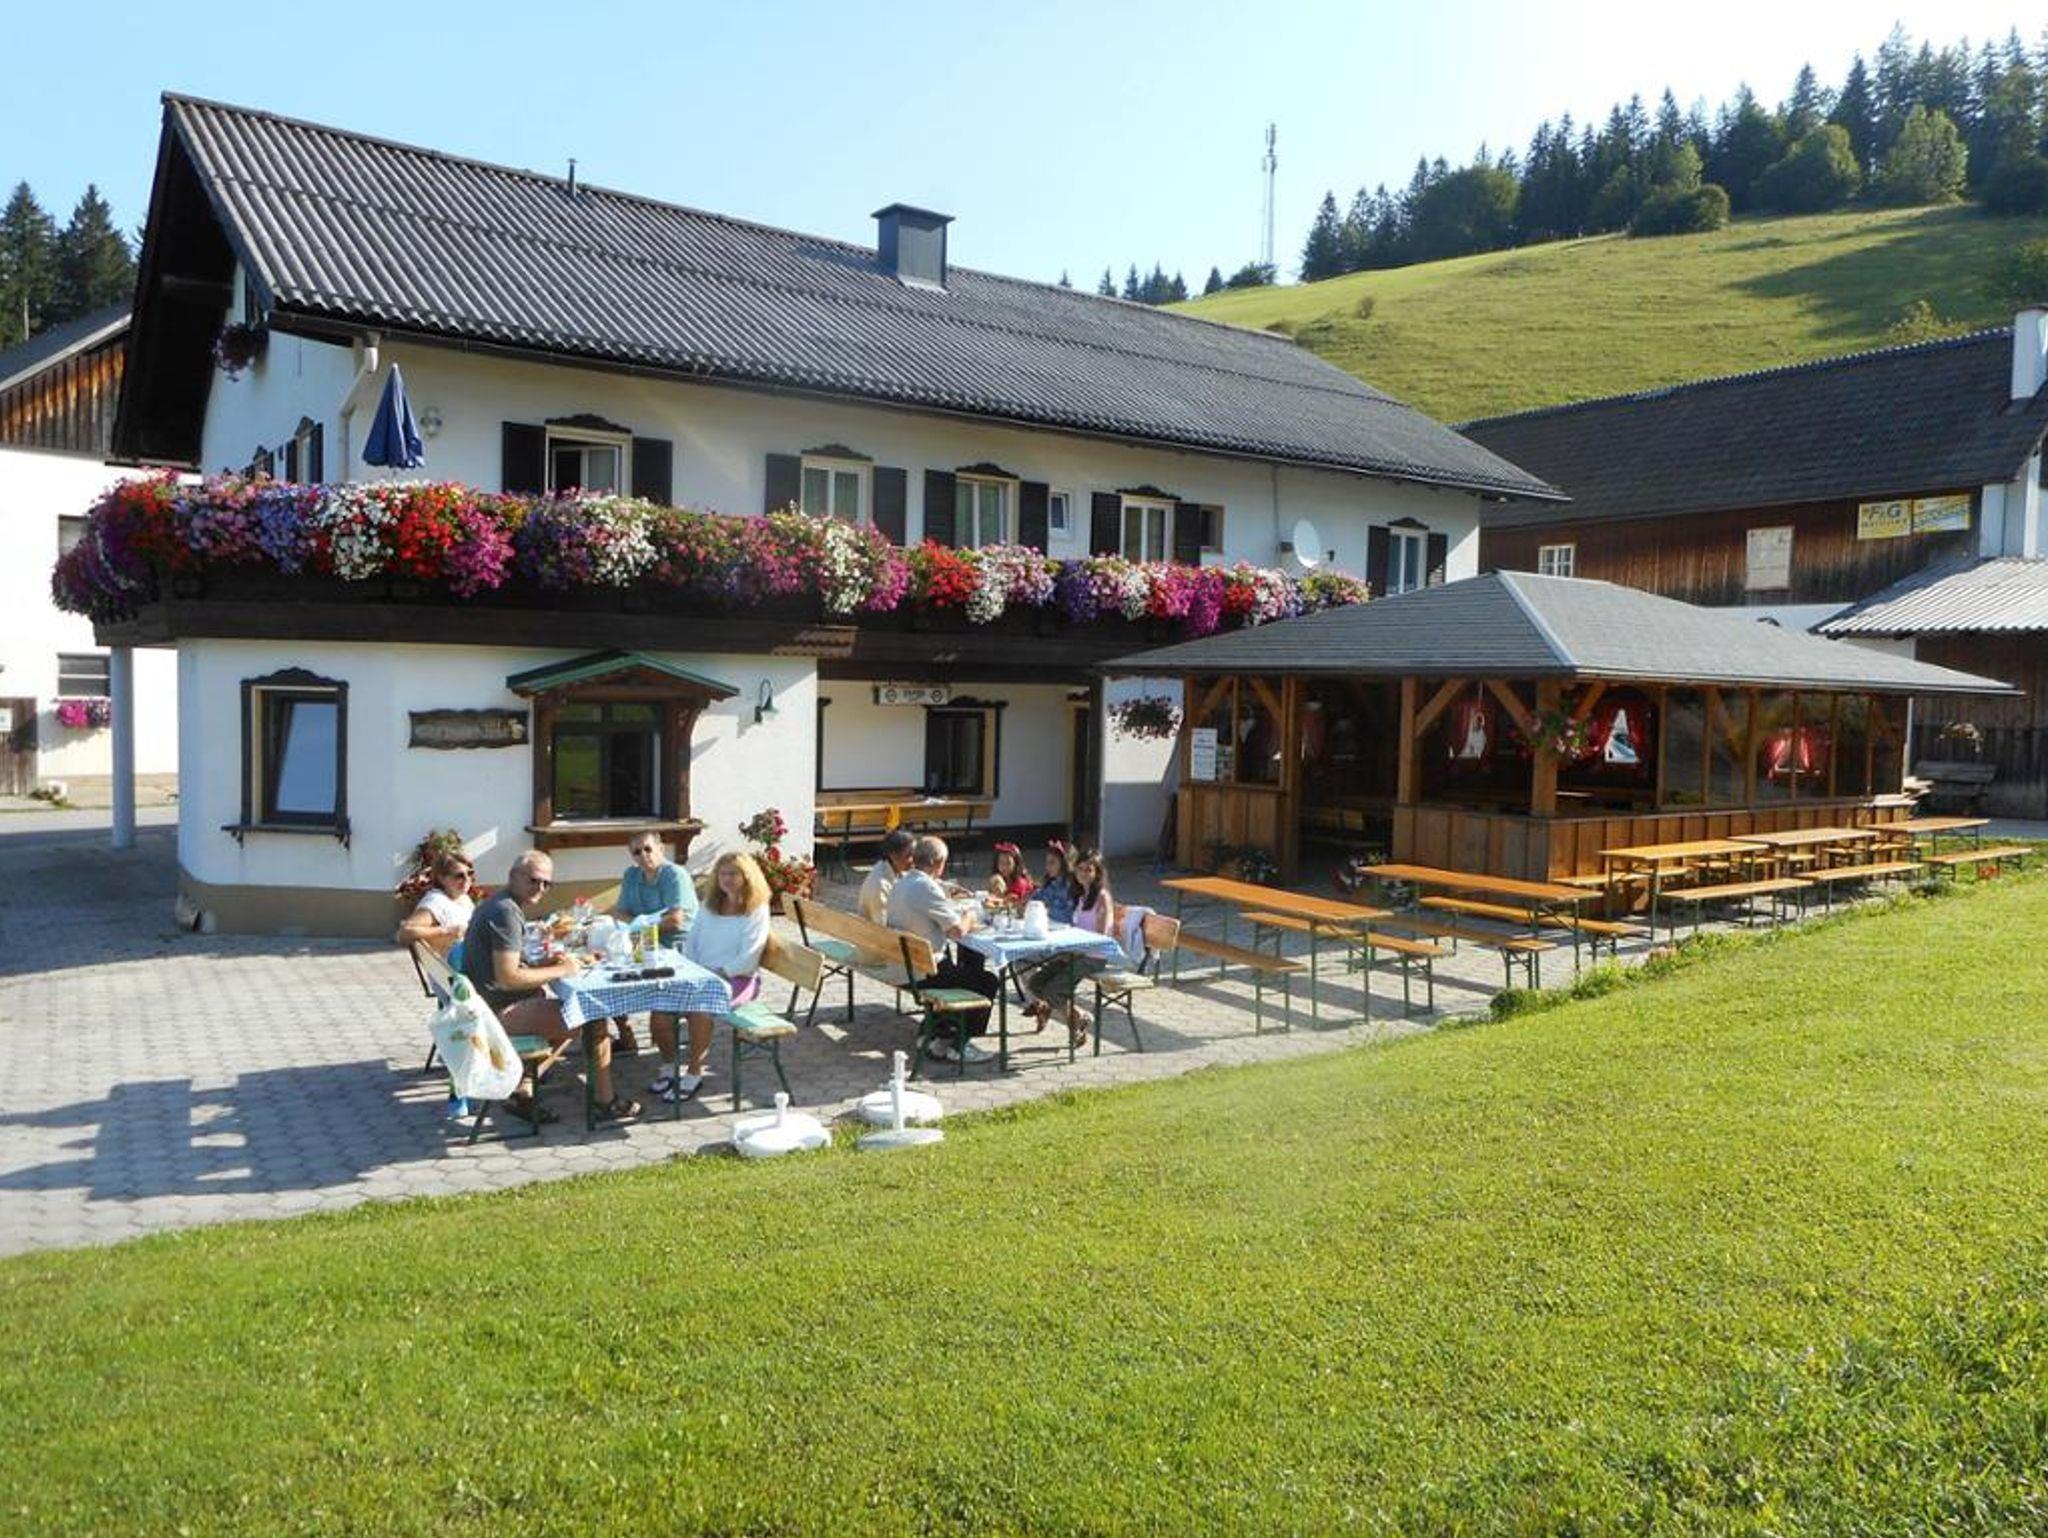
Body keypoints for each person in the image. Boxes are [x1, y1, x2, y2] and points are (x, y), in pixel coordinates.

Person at [461, 850, 637, 1123]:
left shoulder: (499, 903)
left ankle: (522, 1086)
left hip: (481, 1004)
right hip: (493, 1015)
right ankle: (606, 1102)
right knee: (590, 1015)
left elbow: (507, 967)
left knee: (571, 1009)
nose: (540, 888)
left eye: (547, 883)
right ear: (513, 876)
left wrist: (545, 964)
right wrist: (563, 969)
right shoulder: (506, 912)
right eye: (534, 880)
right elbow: (508, 977)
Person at [651, 852, 773, 1103]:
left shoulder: (757, 909)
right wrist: (692, 970)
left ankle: (694, 1073)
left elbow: (750, 957)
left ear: (747, 877)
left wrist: (717, 973)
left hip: (738, 978)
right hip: (702, 974)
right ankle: (670, 1066)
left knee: (701, 1007)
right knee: (660, 1007)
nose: (727, 879)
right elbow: (692, 942)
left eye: (734, 874)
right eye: (722, 873)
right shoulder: (709, 904)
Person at [886, 835, 998, 1063]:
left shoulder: (901, 882)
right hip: (920, 973)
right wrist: (970, 915)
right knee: (986, 981)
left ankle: (936, 1033)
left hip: (901, 965)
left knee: (964, 969)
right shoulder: (925, 887)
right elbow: (957, 931)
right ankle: (959, 1045)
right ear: (938, 863)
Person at [607, 830, 700, 1054]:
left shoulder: (673, 875)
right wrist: (641, 928)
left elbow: (675, 921)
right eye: (636, 852)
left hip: (679, 948)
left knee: (659, 1014)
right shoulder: (632, 875)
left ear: (661, 848)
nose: (643, 855)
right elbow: (618, 912)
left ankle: (668, 1053)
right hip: (644, 941)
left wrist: (638, 927)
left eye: (648, 849)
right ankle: (625, 1033)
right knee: (609, 978)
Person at [1022, 846, 1119, 1048]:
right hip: (1075, 952)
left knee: (1053, 990)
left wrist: (1074, 951)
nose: (1083, 873)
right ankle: (1078, 1018)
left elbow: (1100, 938)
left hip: (1094, 957)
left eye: (1088, 869)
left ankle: (1077, 1020)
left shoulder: (1102, 897)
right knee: (1036, 983)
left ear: (1098, 872)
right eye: (1080, 869)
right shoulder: (1081, 895)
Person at [395, 851, 475, 959]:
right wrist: (447, 930)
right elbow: (404, 932)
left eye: (470, 873)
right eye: (459, 876)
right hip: (452, 966)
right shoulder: (436, 901)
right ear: (441, 878)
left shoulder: (463, 898)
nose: (467, 879)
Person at [858, 828, 916, 925]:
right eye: (909, 855)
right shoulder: (879, 885)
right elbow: (881, 926)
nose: (914, 860)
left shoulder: (896, 869)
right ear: (894, 855)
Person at [1040, 841, 1081, 926]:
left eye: (1052, 862)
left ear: (1064, 863)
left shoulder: (1071, 887)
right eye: (1047, 863)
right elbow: (1040, 896)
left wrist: (1044, 910)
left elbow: (1069, 916)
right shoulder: (1051, 884)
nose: (1047, 867)